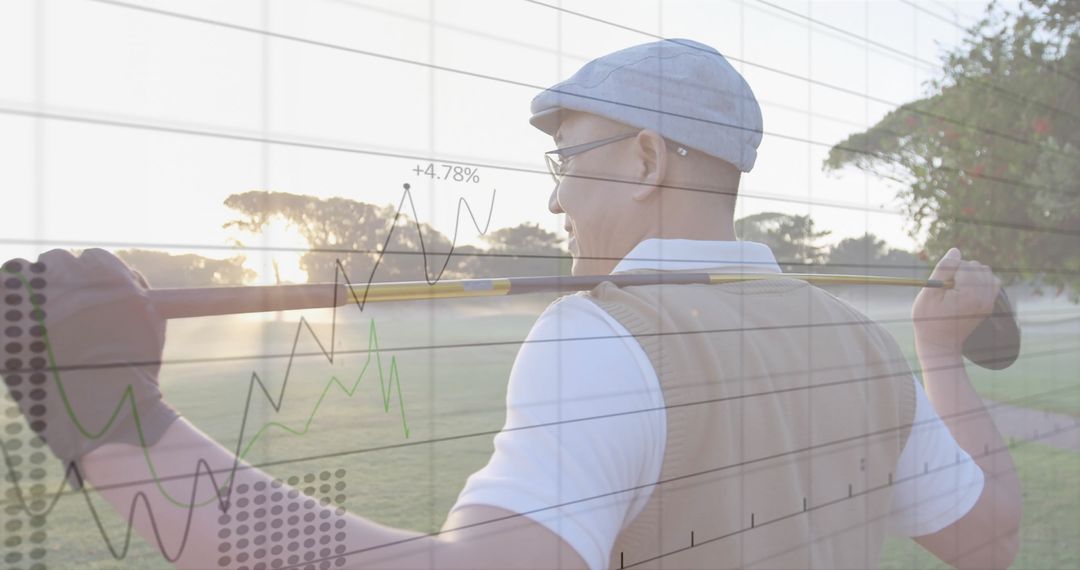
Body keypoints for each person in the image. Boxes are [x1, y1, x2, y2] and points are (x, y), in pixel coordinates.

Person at [1, 39, 1019, 569]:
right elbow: (990, 542)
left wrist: (118, 429)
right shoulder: (864, 344)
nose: (556, 198)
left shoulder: (603, 335)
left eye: (567, 160)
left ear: (648, 159)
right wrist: (939, 352)